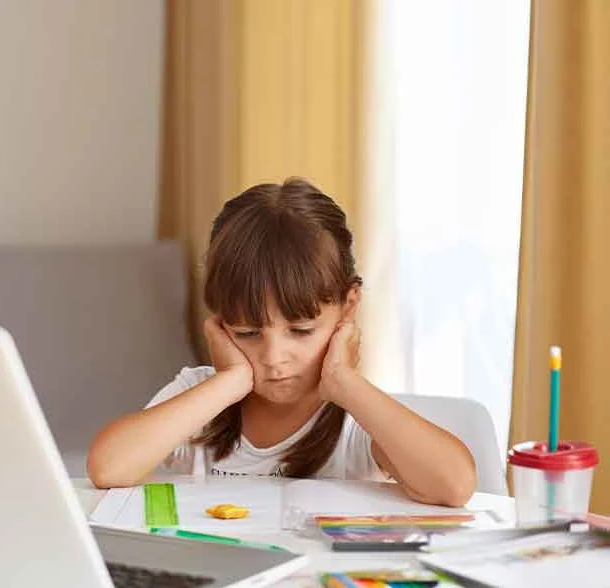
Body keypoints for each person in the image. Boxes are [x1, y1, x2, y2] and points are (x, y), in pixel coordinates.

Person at [86, 178, 476, 507]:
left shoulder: (355, 416)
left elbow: (454, 487)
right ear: (220, 322)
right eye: (248, 333)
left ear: (348, 306)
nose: (274, 359)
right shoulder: (200, 397)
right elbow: (108, 468)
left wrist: (345, 382)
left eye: (301, 331)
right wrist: (231, 380)